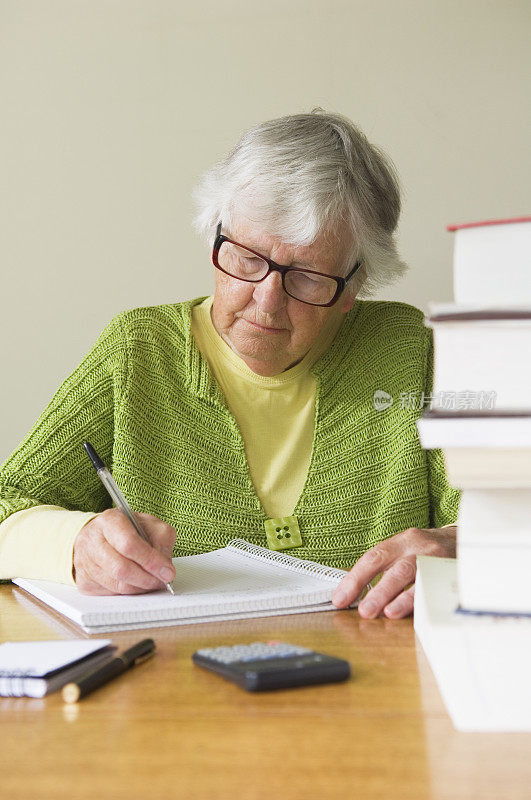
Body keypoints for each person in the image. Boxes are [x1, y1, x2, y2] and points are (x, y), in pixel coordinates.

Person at [0, 110, 459, 618]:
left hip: (376, 683)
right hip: (177, 681)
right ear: (214, 235)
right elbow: (7, 505)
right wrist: (76, 543)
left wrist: (461, 547)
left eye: (306, 277)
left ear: (353, 286)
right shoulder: (138, 351)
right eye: (246, 257)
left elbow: (502, 521)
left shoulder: (409, 352)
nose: (266, 302)